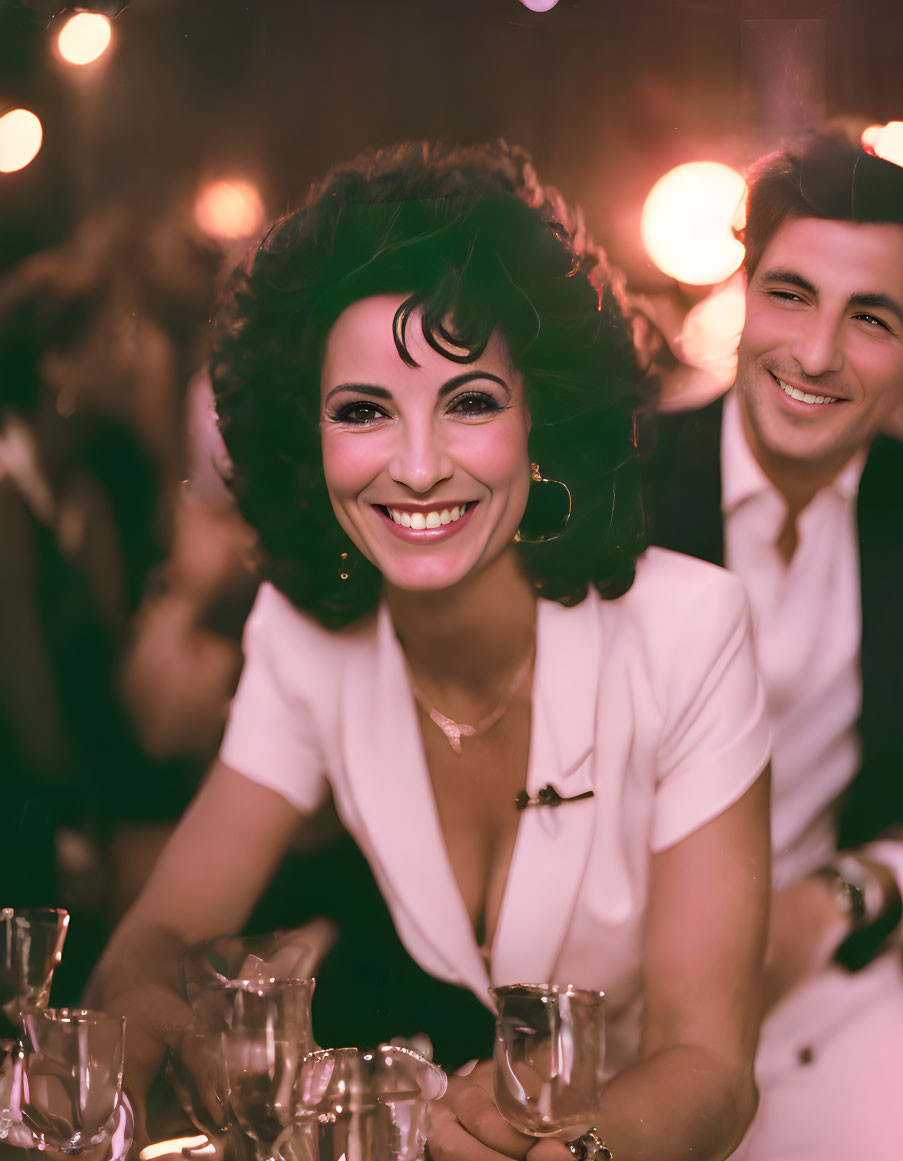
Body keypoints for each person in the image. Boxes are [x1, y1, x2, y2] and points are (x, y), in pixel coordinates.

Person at [87, 141, 770, 1161]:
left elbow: (708, 1065)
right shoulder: (302, 635)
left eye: (470, 402)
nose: (415, 468)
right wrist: (157, 1032)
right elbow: (152, 943)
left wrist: (558, 1151)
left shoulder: (689, 630)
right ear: (303, 439)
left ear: (541, 420)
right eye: (363, 411)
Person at [643, 128, 903, 1160]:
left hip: (832, 979)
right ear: (742, 296)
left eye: (872, 317)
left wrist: (845, 893)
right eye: (790, 295)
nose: (817, 354)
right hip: (615, 985)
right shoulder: (619, 489)